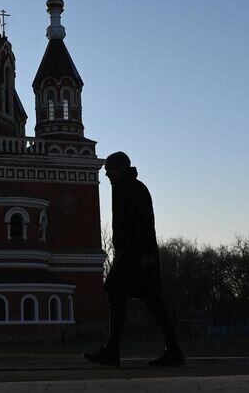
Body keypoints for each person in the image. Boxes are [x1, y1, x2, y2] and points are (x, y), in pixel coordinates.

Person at [85, 151, 184, 368]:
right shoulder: (124, 188)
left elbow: (145, 224)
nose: (107, 175)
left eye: (110, 170)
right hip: (130, 254)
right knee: (135, 298)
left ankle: (115, 351)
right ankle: (169, 350)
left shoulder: (134, 190)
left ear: (119, 169)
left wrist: (147, 256)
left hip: (136, 256)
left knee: (142, 299)